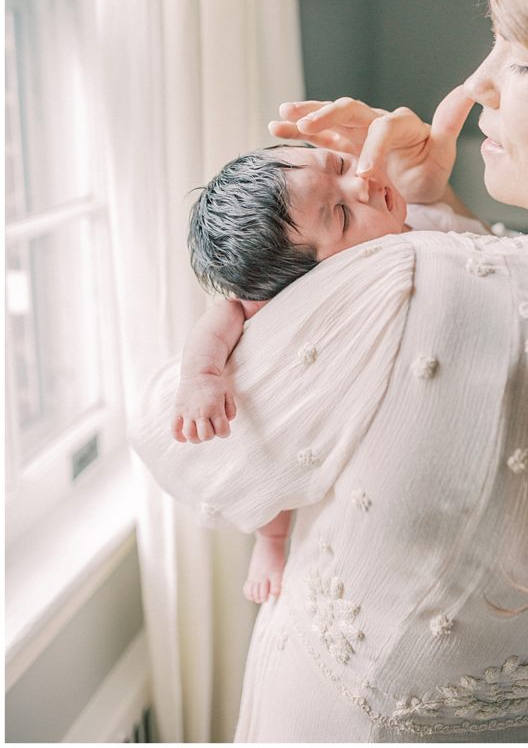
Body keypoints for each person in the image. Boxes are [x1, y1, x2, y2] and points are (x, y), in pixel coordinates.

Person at [131, 0, 528, 742]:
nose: (478, 85)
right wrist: (439, 207)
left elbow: (175, 441)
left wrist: (417, 228)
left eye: (524, 56)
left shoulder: (407, 285)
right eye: (490, 40)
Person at [171, 143, 490, 603]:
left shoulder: (423, 218)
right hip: (299, 409)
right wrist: (201, 375)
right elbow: (225, 316)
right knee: (265, 449)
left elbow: (475, 244)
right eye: (341, 214)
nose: (360, 182)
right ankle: (271, 541)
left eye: (338, 164)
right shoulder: (276, 297)